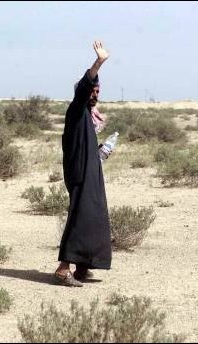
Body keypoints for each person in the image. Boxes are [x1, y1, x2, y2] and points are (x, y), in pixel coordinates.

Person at [56, 41, 112, 286]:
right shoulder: (76, 110)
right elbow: (84, 88)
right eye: (92, 90)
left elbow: (85, 147)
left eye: (98, 91)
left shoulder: (88, 118)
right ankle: (63, 268)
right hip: (80, 174)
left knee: (92, 217)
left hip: (90, 172)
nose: (95, 93)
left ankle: (82, 266)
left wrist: (100, 152)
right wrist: (98, 64)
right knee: (80, 218)